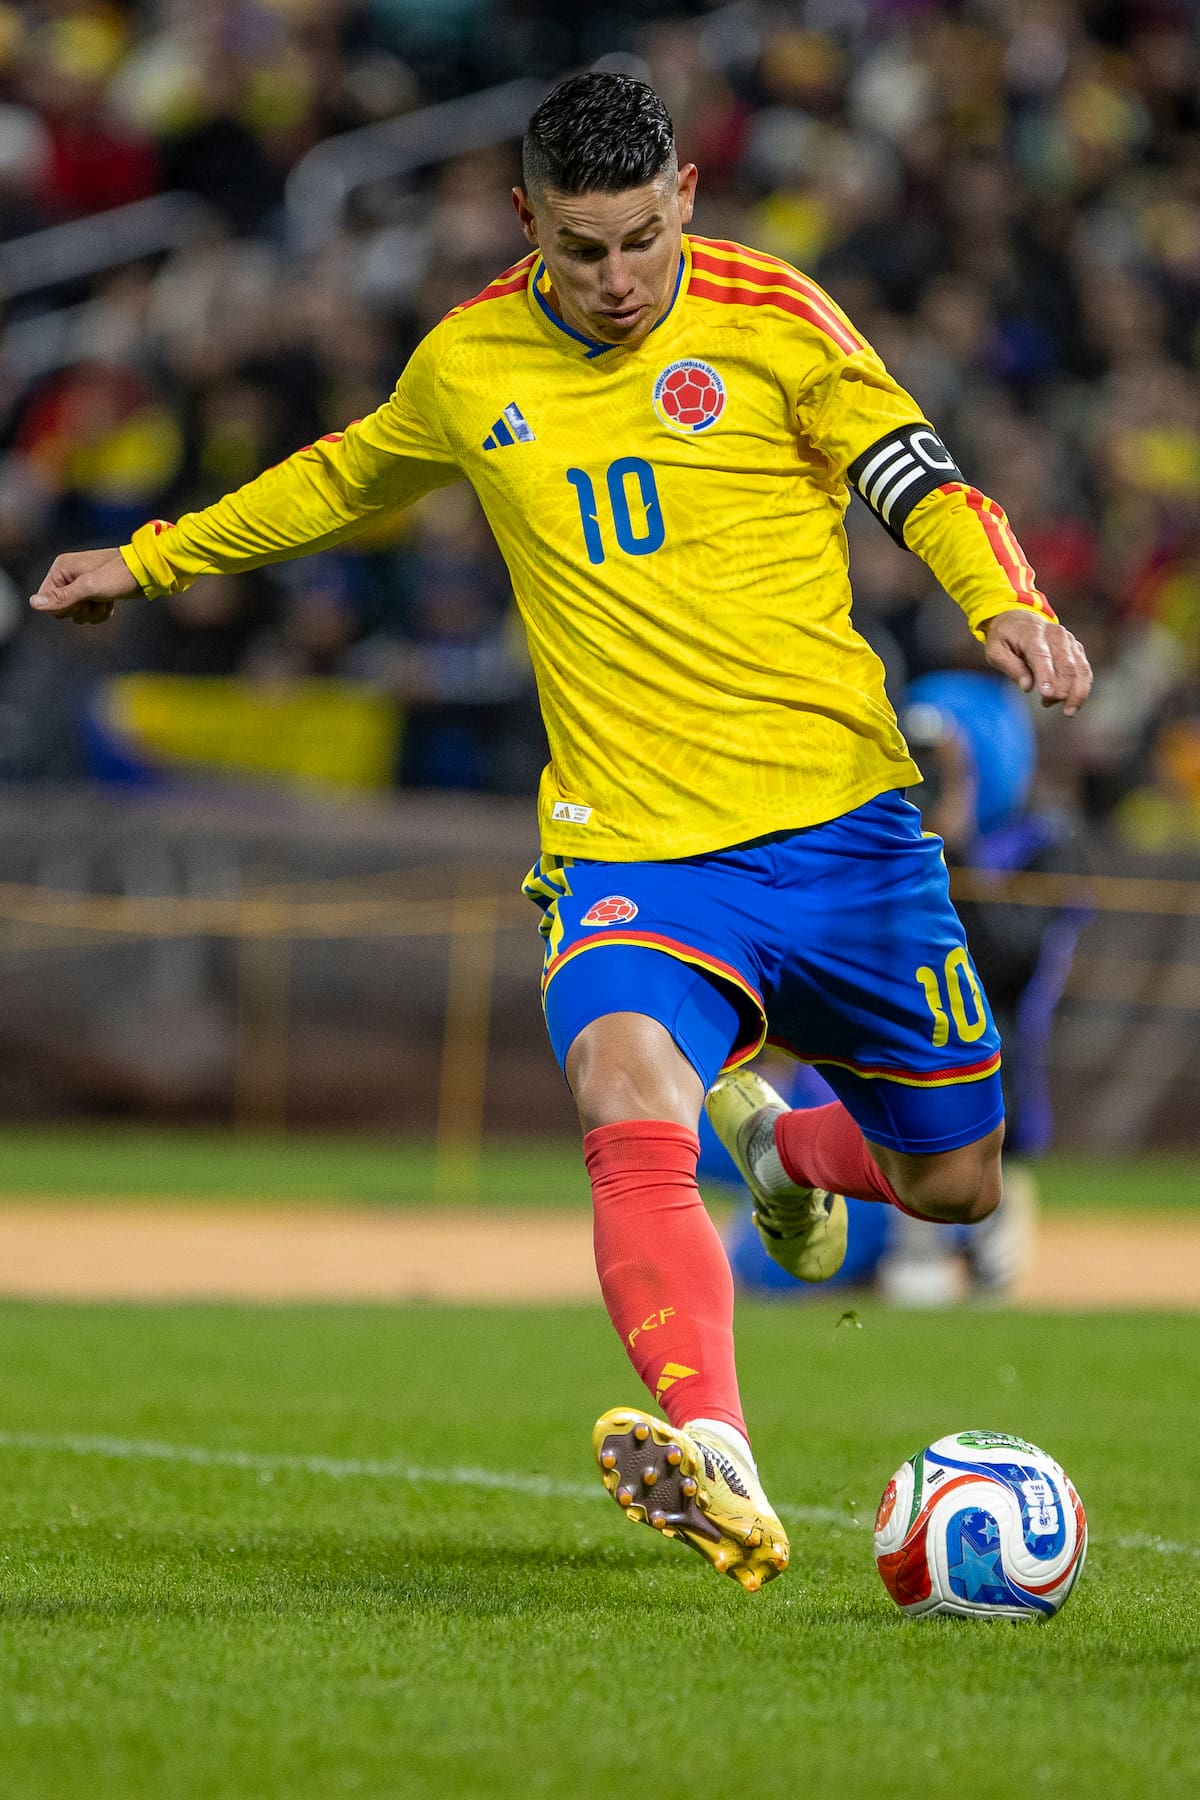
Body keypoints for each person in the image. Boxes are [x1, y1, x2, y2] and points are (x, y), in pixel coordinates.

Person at [30, 74, 1092, 1594]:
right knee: (620, 1081)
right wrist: (152, 557)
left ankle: (783, 1151)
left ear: (689, 204)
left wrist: (1007, 601)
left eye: (644, 240)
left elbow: (917, 479)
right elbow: (343, 476)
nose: (617, 281)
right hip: (631, 846)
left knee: (957, 1184)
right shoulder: (469, 362)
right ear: (528, 221)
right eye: (584, 248)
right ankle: (718, 1450)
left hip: (848, 833)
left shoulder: (780, 315)